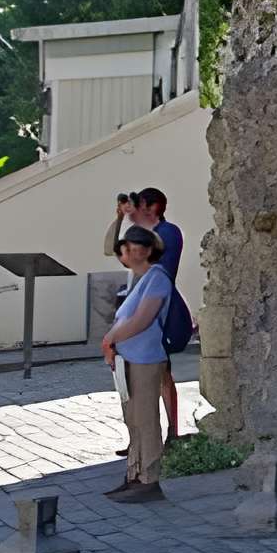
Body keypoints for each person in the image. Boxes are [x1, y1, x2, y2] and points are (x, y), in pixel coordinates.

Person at [104, 189, 194, 445]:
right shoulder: (141, 238)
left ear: (152, 207)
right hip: (137, 308)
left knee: (162, 373)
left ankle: (171, 433)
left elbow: (158, 267)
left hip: (158, 314)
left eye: (138, 205)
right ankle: (139, 439)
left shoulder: (168, 233)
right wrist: (120, 217)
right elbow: (110, 249)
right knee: (134, 377)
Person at [99, 224, 173, 502]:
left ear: (148, 249)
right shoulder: (138, 279)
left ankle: (149, 479)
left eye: (134, 245)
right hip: (128, 358)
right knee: (133, 420)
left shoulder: (157, 278)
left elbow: (141, 320)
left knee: (146, 418)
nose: (127, 251)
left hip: (145, 359)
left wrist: (109, 339)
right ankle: (134, 474)